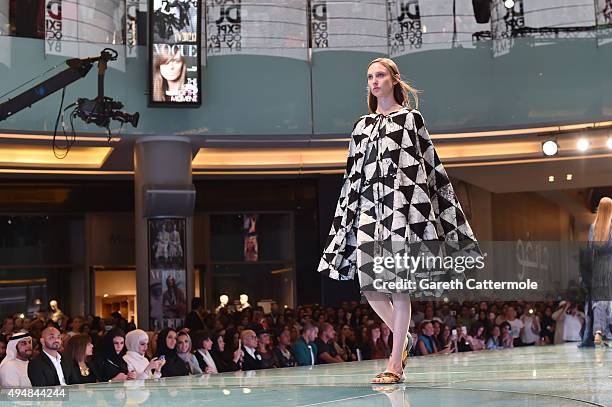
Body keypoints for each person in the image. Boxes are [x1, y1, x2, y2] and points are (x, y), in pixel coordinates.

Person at [317, 57, 478, 384]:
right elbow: (353, 174)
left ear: (394, 80)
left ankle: (395, 364)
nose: (374, 81)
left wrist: (425, 215)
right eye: (370, 77)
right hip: (367, 210)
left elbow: (427, 168)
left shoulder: (410, 119)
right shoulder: (361, 125)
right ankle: (402, 336)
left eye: (380, 75)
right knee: (369, 284)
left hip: (401, 209)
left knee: (398, 288)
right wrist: (346, 215)